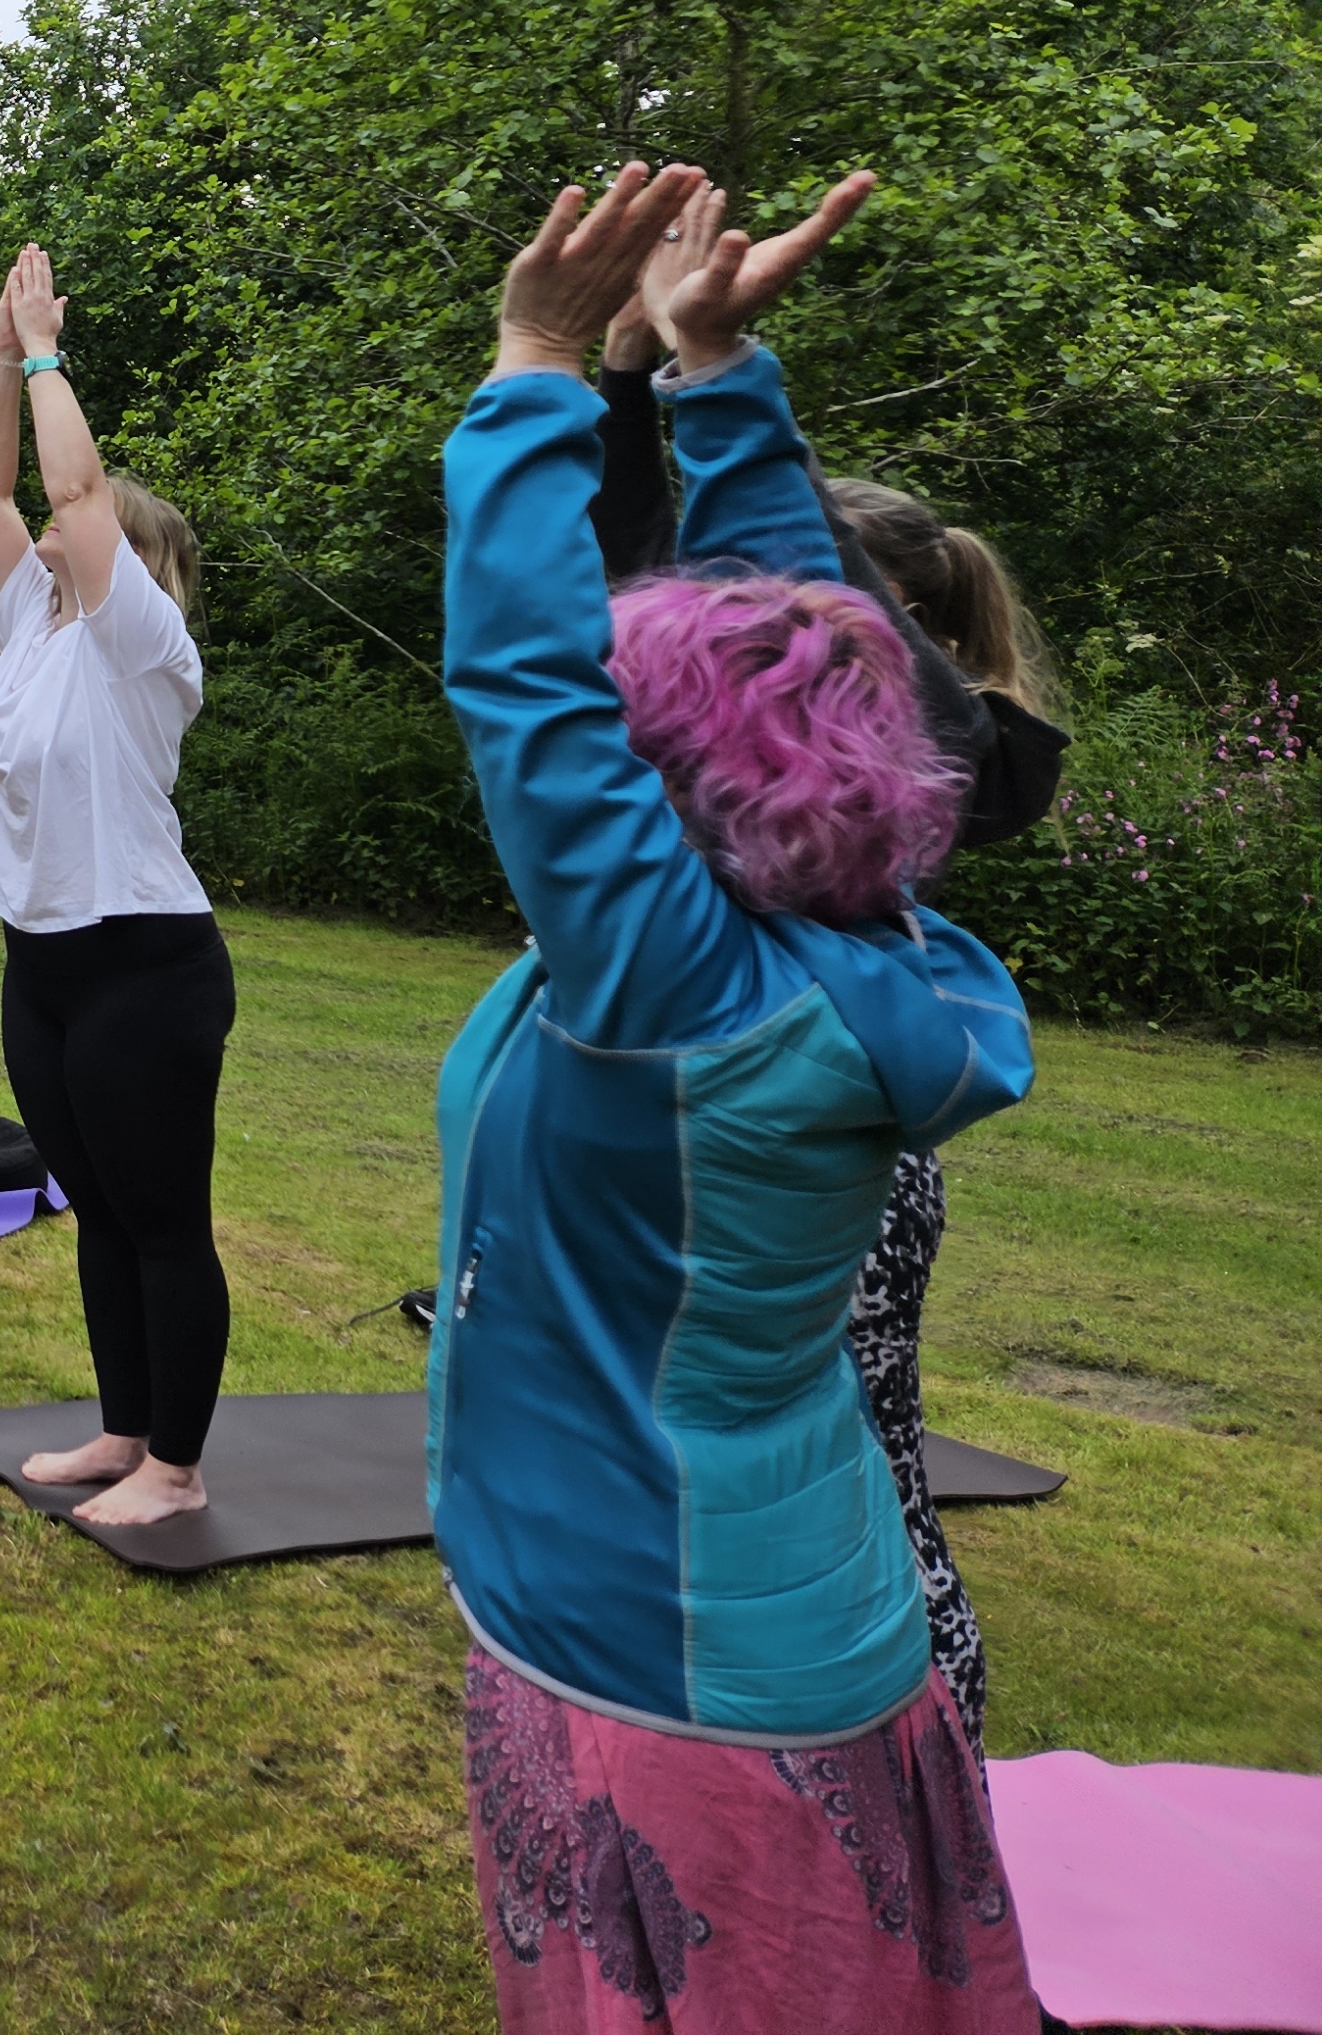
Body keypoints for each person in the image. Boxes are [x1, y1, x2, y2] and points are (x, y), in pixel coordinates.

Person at [435, 163, 1036, 2034]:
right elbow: (813, 647)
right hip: (796, 1621)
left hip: (658, 1663)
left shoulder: (674, 999)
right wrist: (714, 374)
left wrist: (538, 367)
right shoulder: (874, 936)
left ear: (671, 778)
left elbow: (524, 682)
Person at [614, 181, 1068, 1751]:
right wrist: (640, 374)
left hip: (804, 1133)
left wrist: (709, 382)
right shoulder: (871, 740)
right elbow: (632, 561)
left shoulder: (942, 754)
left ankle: (917, 1753)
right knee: (781, 1468)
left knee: (843, 1471)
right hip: (763, 1107)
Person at [0, 245, 232, 1530]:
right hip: (43, 963)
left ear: (127, 551)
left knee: (163, 1222)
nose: (60, 522)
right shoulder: (34, 621)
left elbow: (68, 484)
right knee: (101, 1216)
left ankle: (176, 1467)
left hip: (144, 967)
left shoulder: (140, 643)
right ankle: (124, 1431)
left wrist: (49, 352)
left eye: (88, 521)